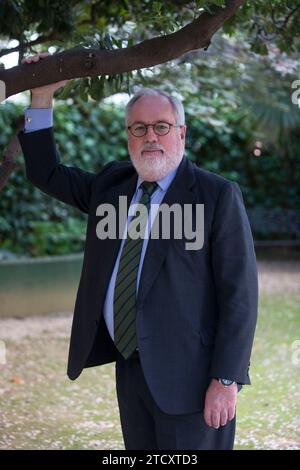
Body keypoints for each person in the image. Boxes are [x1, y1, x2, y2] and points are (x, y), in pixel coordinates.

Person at [18, 52, 258, 450]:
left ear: (181, 132)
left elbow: (240, 296)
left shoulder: (216, 195)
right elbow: (46, 173)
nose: (150, 137)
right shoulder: (112, 186)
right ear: (128, 135)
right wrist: (40, 98)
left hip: (193, 380)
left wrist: (226, 379)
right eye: (139, 128)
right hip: (132, 370)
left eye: (161, 127)